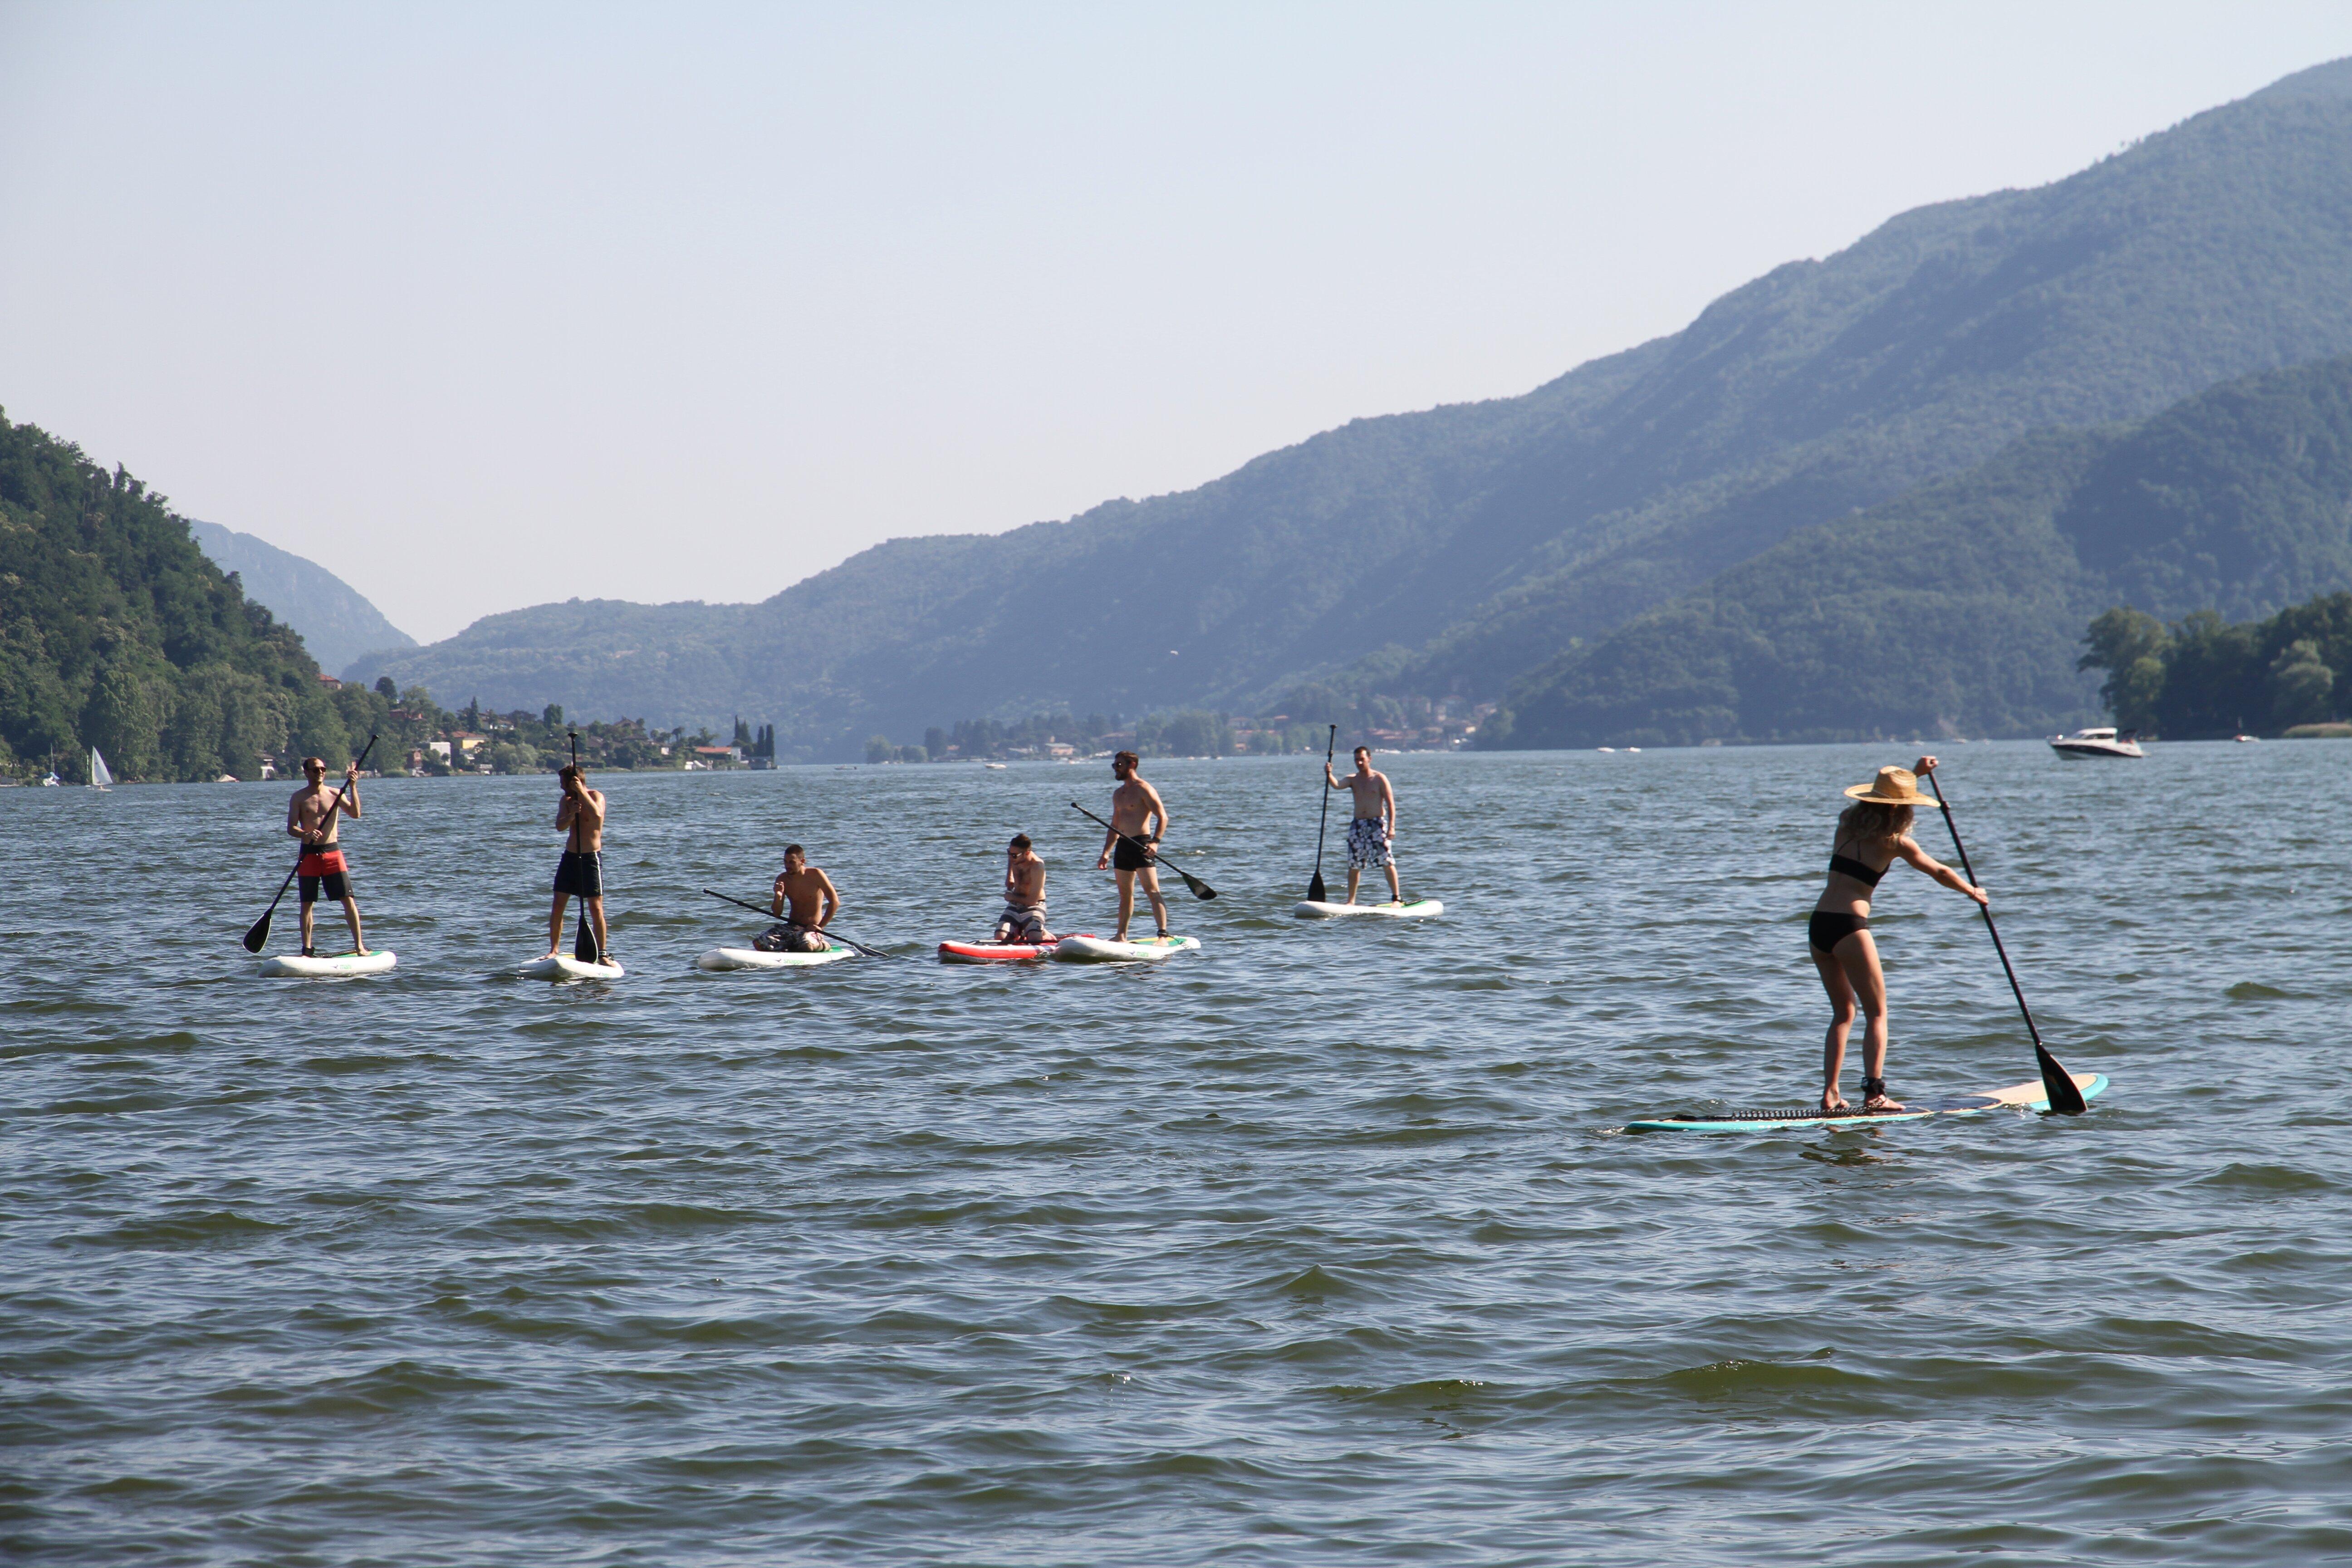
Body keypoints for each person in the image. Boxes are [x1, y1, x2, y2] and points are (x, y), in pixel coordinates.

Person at [1809, 759, 1988, 1113]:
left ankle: (1831, 1094)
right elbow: (1940, 871)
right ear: (1903, 808)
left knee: (1843, 1013)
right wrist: (1972, 892)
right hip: (1850, 927)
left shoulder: (1845, 823)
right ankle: (1875, 1094)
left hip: (1819, 925)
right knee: (1877, 1013)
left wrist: (1914, 775)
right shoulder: (1896, 843)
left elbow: (1884, 798)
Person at [285, 755, 367, 956]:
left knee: (348, 900)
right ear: (306, 773)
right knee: (307, 904)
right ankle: (307, 950)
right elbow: (291, 828)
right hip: (308, 856)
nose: (320, 772)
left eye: (323, 769)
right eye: (316, 770)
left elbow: (356, 814)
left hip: (332, 854)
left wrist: (353, 787)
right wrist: (306, 833)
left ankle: (359, 947)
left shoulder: (335, 793)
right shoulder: (298, 797)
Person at [1093, 750, 1171, 941]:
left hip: (1142, 845)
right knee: (1125, 895)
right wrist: (1106, 852)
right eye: (1114, 765)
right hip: (1123, 847)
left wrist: (1155, 842)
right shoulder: (1118, 794)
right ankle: (1121, 936)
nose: (1116, 769)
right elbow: (1114, 826)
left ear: (1132, 765)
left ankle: (1163, 935)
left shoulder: (1144, 789)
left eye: (1119, 765)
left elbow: (1163, 817)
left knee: (1152, 891)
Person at [547, 764, 611, 963]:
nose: (561, 787)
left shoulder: (596, 796)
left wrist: (581, 792)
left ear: (575, 782)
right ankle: (554, 950)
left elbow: (597, 815)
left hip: (591, 858)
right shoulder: (566, 801)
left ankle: (603, 954)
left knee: (596, 908)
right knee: (558, 905)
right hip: (570, 858)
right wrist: (571, 814)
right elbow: (560, 826)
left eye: (563, 783)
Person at [1325, 745, 1402, 904]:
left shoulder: (1380, 779)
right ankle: (1351, 901)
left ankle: (1396, 898)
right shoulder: (1353, 779)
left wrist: (1392, 827)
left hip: (1377, 824)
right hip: (1358, 826)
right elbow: (1337, 785)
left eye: (1362, 759)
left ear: (1369, 759)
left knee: (1387, 861)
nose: (1359, 763)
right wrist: (1329, 774)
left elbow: (1391, 804)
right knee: (1354, 864)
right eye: (1356, 760)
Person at [756, 844, 841, 952]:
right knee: (759, 943)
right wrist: (778, 896)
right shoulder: (782, 879)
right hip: (791, 927)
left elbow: (835, 902)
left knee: (807, 947)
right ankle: (789, 946)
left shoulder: (816, 875)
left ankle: (823, 944)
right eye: (785, 862)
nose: (787, 866)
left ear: (802, 861)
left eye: (792, 862)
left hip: (811, 928)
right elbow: (777, 914)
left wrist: (820, 927)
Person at [994, 833, 1051, 944]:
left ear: (1027, 853)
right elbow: (1012, 856)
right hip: (1015, 906)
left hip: (1034, 906)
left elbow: (1032, 901)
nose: (1011, 857)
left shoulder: (1037, 867)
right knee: (1000, 937)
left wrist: (1011, 897)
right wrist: (1009, 876)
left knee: (1034, 939)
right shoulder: (1016, 857)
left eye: (1014, 855)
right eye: (1009, 853)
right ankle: (1020, 930)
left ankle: (1042, 932)